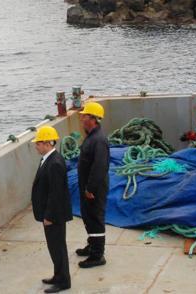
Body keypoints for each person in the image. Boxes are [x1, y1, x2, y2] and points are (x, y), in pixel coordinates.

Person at [31, 126, 72, 293]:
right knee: (54, 246)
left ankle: (63, 281)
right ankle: (58, 275)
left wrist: (49, 215)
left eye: (38, 143)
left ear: (47, 143)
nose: (36, 146)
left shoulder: (54, 163)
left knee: (58, 247)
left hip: (54, 216)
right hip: (51, 214)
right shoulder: (49, 159)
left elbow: (56, 194)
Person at [76, 101, 109, 268]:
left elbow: (100, 167)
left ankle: (97, 255)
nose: (81, 118)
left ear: (93, 119)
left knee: (95, 219)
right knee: (88, 217)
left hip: (94, 190)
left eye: (84, 116)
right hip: (87, 187)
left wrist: (90, 189)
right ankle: (92, 245)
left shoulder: (99, 140)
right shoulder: (91, 137)